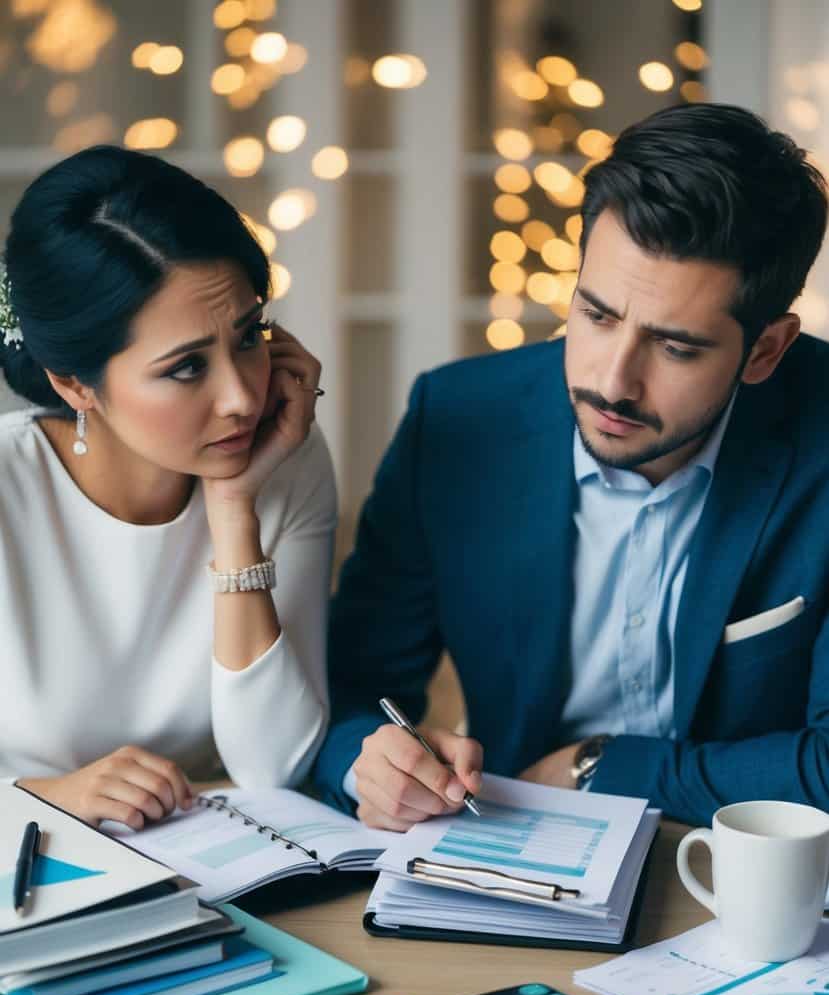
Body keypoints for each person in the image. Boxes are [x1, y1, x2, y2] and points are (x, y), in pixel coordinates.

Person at [314, 102, 829, 830]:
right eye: (595, 315)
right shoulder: (458, 420)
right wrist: (366, 761)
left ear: (766, 350)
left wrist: (602, 766)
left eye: (675, 348)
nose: (613, 382)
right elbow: (347, 689)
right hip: (506, 849)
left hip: (752, 869)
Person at [0, 145, 335, 830]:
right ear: (74, 384)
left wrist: (235, 510)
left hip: (217, 867)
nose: (243, 398)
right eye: (186, 369)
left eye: (249, 338)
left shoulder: (284, 459)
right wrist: (48, 795)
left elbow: (274, 765)